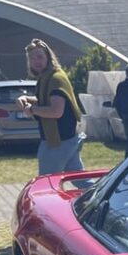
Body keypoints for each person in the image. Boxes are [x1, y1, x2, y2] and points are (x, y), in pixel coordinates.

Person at [16, 38, 84, 176]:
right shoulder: (47, 77)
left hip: (57, 141)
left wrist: (32, 109)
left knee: (46, 182)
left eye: (40, 56)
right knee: (81, 180)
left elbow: (56, 111)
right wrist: (26, 99)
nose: (36, 61)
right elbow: (46, 100)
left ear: (48, 56)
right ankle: (99, 197)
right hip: (68, 138)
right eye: (32, 58)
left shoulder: (55, 79)